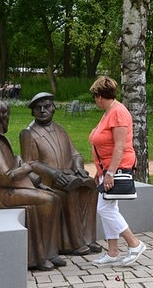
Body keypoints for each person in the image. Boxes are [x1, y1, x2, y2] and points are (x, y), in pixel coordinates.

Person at [0, 99, 65, 271]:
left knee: (54, 197)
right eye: (7, 116)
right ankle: (38, 257)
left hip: (5, 189)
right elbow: (5, 178)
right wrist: (26, 167)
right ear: (1, 118)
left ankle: (50, 252)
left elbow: (10, 167)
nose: (8, 120)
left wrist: (33, 178)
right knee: (48, 201)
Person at [20, 92, 99, 256]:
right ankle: (74, 243)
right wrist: (54, 174)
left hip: (70, 175)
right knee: (69, 192)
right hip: (48, 181)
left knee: (91, 189)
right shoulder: (28, 133)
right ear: (32, 111)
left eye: (47, 106)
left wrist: (78, 167)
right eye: (38, 108)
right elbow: (30, 163)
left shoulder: (60, 129)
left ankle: (88, 239)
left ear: (54, 108)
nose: (43, 110)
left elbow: (76, 154)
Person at [88, 75, 147, 266]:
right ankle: (112, 252)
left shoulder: (118, 113)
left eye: (95, 96)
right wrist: (100, 170)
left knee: (104, 209)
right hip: (105, 168)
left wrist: (110, 173)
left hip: (116, 168)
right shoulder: (109, 111)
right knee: (109, 207)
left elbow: (120, 146)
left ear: (99, 96)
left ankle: (134, 243)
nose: (95, 100)